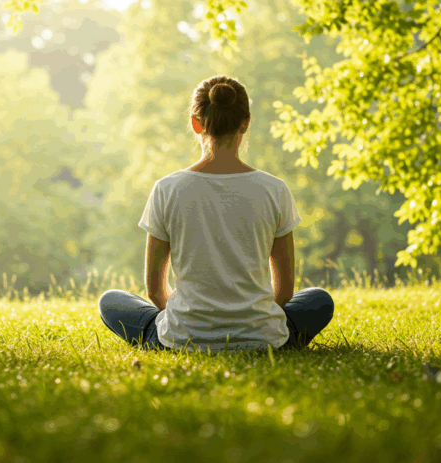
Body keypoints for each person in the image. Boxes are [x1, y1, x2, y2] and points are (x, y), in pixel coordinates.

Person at [98, 75, 335, 351]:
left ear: (195, 123)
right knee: (318, 300)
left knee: (111, 301)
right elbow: (284, 291)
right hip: (262, 337)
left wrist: (186, 316)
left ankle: (181, 332)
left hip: (183, 337)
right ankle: (268, 335)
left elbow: (153, 290)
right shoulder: (275, 189)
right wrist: (250, 317)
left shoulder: (166, 189)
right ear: (245, 124)